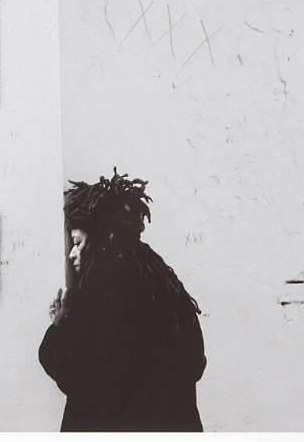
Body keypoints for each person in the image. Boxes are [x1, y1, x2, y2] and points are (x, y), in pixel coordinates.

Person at [39, 168, 206, 431]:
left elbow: (72, 373)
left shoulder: (101, 289)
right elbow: (196, 362)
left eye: (78, 242)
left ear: (105, 238)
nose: (72, 254)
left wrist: (60, 326)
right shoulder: (162, 280)